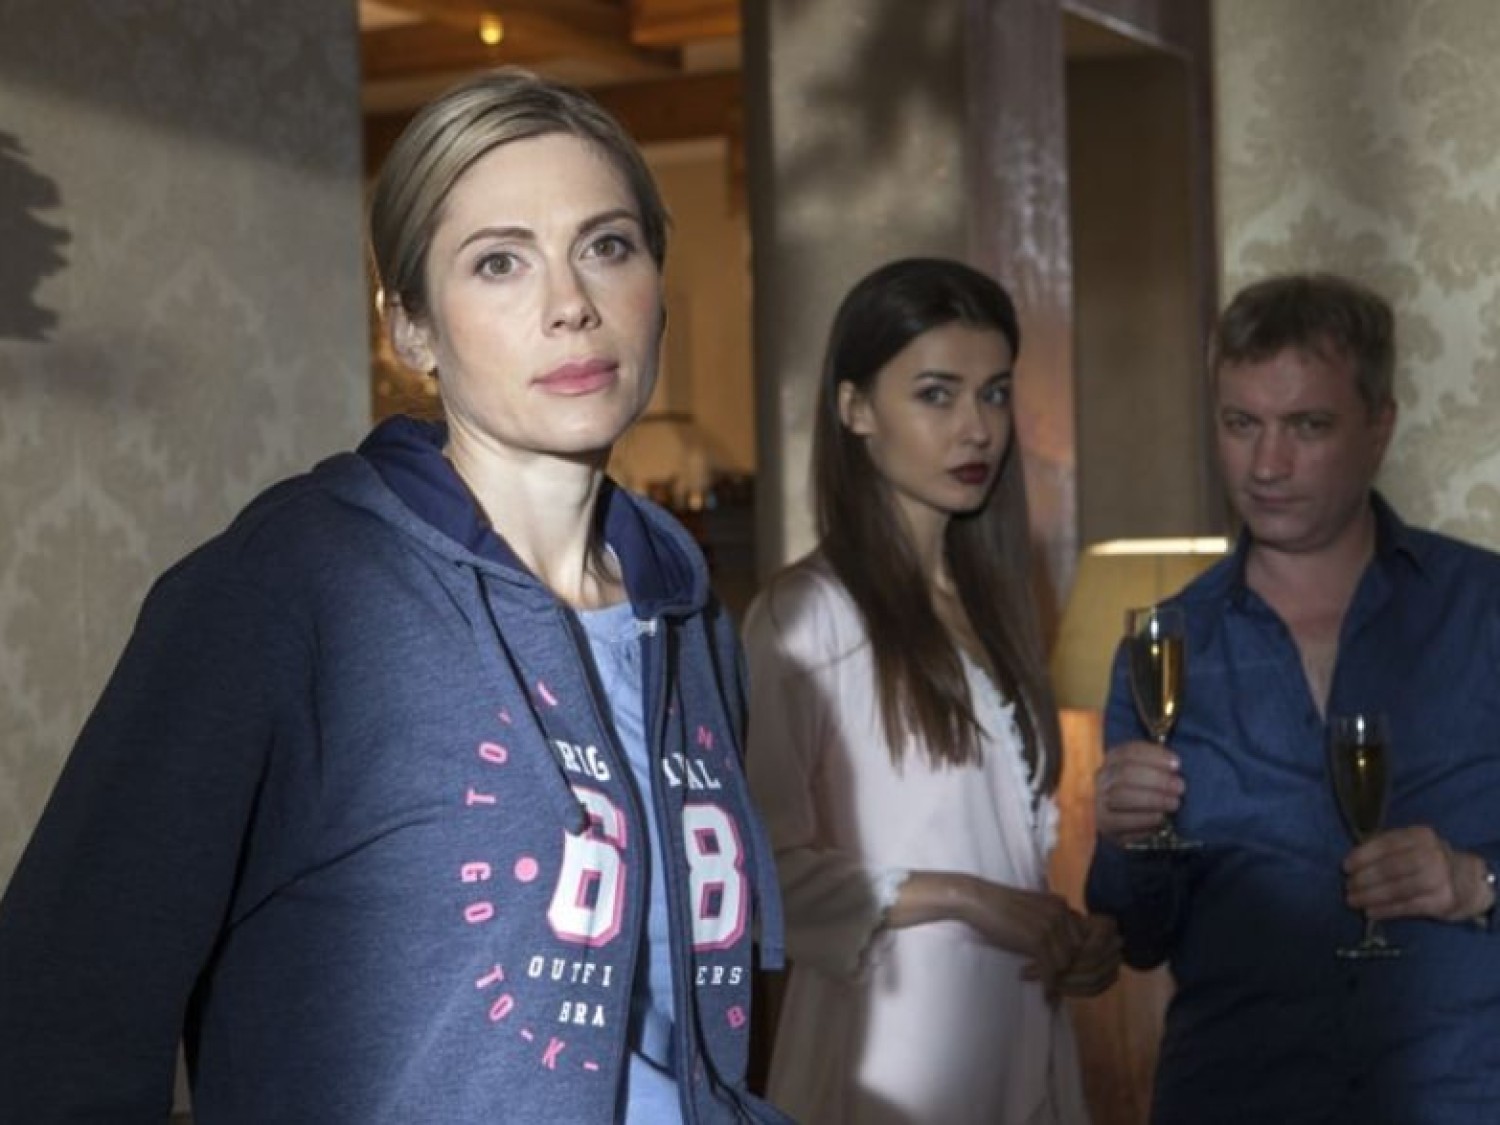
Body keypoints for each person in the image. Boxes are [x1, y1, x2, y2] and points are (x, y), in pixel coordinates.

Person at [0, 68, 792, 1124]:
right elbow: (55, 1022)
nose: (571, 304)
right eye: (500, 261)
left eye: (607, 246)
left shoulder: (686, 616)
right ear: (411, 328)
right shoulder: (285, 590)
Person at [1086, 272, 1500, 1124]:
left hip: (1458, 1094)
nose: (1267, 465)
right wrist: (1124, 840)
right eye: (1241, 424)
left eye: (1308, 425)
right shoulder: (1164, 650)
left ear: (1379, 426)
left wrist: (1477, 878)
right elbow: (1139, 938)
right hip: (1238, 1098)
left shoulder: (1483, 609)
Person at [744, 257, 1120, 1125]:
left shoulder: (994, 607)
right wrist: (966, 898)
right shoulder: (807, 616)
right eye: (936, 395)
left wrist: (1064, 933)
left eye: (994, 394)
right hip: (885, 1065)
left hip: (1017, 1044)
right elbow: (756, 873)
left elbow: (997, 839)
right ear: (855, 408)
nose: (976, 429)